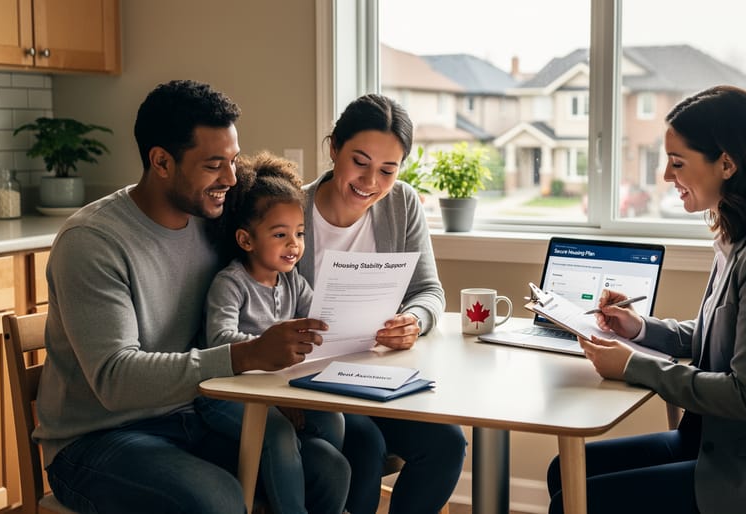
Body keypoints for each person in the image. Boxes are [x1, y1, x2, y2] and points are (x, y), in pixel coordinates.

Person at [546, 85, 746, 514]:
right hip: (720, 445)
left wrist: (635, 365)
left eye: (677, 163)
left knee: (577, 500)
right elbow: (715, 338)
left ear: (727, 163)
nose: (667, 177)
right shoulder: (742, 237)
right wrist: (638, 327)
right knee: (565, 471)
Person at [35, 79, 329, 514]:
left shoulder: (212, 222)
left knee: (324, 468)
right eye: (214, 165)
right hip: (98, 440)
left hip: (194, 413)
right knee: (216, 500)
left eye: (231, 161)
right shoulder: (93, 242)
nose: (231, 179)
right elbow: (116, 380)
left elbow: (268, 274)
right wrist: (244, 356)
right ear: (161, 162)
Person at [297, 93, 466, 514]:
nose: (371, 181)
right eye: (360, 161)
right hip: (309, 383)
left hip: (377, 377)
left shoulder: (402, 203)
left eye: (388, 170)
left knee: (447, 443)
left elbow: (429, 291)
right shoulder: (288, 209)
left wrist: (414, 319)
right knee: (365, 445)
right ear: (333, 148)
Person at [197, 150, 350, 514]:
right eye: (280, 234)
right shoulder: (230, 284)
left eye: (298, 233)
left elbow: (321, 320)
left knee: (333, 422)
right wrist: (267, 351)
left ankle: (305, 464)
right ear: (247, 240)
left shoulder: (292, 281)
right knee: (278, 433)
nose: (293, 245)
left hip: (280, 390)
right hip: (226, 395)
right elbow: (220, 342)